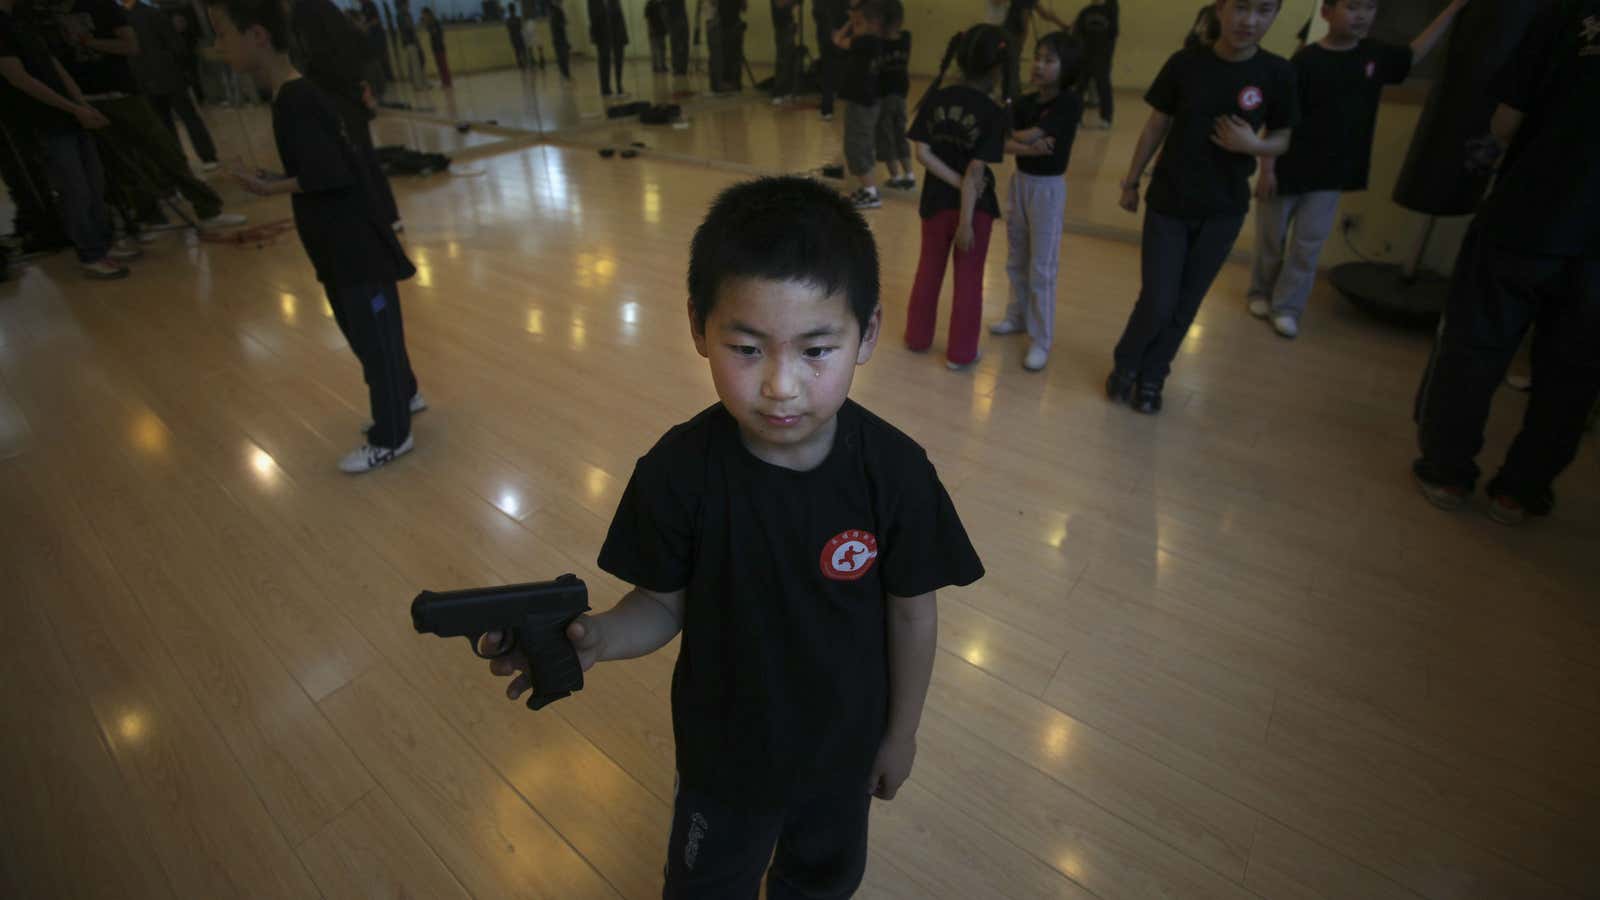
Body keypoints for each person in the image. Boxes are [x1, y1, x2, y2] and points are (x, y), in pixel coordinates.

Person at [483, 175, 984, 897]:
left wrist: (900, 735)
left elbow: (912, 610)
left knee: (820, 883)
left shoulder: (896, 474)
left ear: (867, 334)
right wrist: (594, 639)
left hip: (844, 752)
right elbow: (661, 604)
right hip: (725, 761)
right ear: (698, 327)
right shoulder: (678, 472)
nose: (781, 385)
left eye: (817, 349)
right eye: (747, 349)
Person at [209, 0, 424, 474]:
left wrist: (269, 184)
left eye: (224, 34)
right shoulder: (294, 95)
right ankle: (404, 395)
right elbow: (318, 167)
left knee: (374, 338)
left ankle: (393, 435)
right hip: (338, 242)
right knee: (369, 334)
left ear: (258, 36)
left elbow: (330, 172)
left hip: (354, 245)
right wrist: (270, 178)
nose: (219, 48)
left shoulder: (297, 99)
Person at [1412, 0, 1599, 526]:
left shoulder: (1563, 16)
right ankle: (1520, 491)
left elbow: (1506, 119)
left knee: (1475, 348)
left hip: (1531, 215)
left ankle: (1446, 472)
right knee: (1573, 375)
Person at [1109, 0, 1297, 414]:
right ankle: (1127, 364)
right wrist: (1132, 180)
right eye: (1241, 8)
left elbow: (1283, 136)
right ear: (1220, 9)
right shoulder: (1185, 64)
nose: (1249, 20)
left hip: (1224, 211)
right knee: (1158, 299)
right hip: (1169, 203)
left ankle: (1155, 375)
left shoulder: (1277, 73)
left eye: (1263, 11)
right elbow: (1156, 124)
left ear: (1275, 15)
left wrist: (1255, 146)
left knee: (1186, 303)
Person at [1248, 0, 1468, 338]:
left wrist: (1451, 10)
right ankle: (1260, 292)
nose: (1362, 15)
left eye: (1369, 7)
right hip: (1287, 168)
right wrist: (1267, 170)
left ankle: (1287, 307)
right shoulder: (1305, 60)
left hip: (1332, 174)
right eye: (1352, 7)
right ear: (1327, 12)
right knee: (1271, 241)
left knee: (1307, 246)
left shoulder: (1374, 56)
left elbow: (1413, 55)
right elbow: (1278, 119)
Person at [49, 0, 244, 232]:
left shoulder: (104, 7)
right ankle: (149, 216)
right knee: (123, 165)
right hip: (86, 99)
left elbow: (131, 45)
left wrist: (88, 42)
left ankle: (207, 208)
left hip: (124, 93)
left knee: (165, 151)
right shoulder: (48, 13)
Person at [905, 25, 1013, 370]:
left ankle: (917, 339)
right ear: (997, 68)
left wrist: (951, 181)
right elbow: (975, 174)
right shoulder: (992, 112)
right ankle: (960, 354)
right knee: (969, 283)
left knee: (928, 271)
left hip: (935, 204)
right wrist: (966, 221)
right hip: (973, 212)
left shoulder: (936, 97)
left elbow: (921, 152)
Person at [0, 0, 131, 278]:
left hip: (71, 115)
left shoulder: (22, 19)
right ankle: (91, 254)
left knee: (95, 183)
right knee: (75, 189)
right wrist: (72, 107)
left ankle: (104, 244)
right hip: (43, 120)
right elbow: (18, 78)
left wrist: (82, 104)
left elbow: (53, 64)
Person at [991, 29, 1082, 372]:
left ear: (1066, 66)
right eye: (1037, 58)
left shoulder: (1068, 102)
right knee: (1016, 257)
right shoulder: (1025, 101)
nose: (1039, 66)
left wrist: (1022, 139)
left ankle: (1041, 339)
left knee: (1042, 266)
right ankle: (1016, 316)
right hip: (1021, 182)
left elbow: (1024, 134)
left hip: (1048, 188)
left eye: (1049, 60)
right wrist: (1027, 145)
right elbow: (1003, 141)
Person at [288, 0, 400, 227]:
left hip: (342, 98)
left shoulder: (308, 11)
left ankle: (380, 219)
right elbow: (358, 47)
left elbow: (326, 60)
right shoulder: (324, 10)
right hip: (348, 94)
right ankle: (386, 217)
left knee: (358, 162)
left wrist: (358, 86)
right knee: (364, 160)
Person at [122, 0, 218, 170]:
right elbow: (175, 44)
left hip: (151, 78)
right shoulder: (151, 13)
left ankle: (182, 161)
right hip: (166, 75)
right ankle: (206, 156)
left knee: (167, 123)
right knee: (186, 118)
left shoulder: (129, 17)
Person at [834, 0, 884, 209]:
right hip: (862, 101)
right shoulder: (871, 41)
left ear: (873, 24)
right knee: (860, 145)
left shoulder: (865, 42)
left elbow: (837, 40)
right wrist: (855, 20)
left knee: (856, 146)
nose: (855, 27)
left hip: (862, 103)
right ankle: (867, 188)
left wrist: (848, 22)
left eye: (859, 23)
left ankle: (871, 193)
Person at [875, 0, 912, 189]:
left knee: (886, 135)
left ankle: (895, 177)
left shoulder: (879, 44)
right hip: (901, 95)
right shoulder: (906, 38)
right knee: (900, 133)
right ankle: (910, 174)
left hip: (885, 95)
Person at [1071, 0, 1115, 128]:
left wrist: (1108, 55)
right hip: (1084, 57)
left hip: (1102, 57)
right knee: (1080, 88)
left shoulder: (1110, 11)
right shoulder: (1085, 12)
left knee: (1103, 87)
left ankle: (1106, 118)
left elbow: (1113, 35)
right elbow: (1077, 33)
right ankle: (1076, 118)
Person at [587, 0, 625, 96]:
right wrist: (594, 34)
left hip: (617, 32)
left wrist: (623, 34)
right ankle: (605, 89)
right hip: (602, 33)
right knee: (604, 60)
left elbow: (620, 14)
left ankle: (619, 87)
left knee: (619, 58)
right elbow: (592, 16)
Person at [767, 0, 795, 102]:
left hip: (788, 24)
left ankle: (786, 91)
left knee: (789, 59)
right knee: (782, 60)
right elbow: (780, 3)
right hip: (782, 27)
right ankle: (778, 92)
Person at [418, 6, 446, 87]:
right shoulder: (430, 23)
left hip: (439, 47)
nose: (423, 17)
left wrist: (427, 25)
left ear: (427, 14)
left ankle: (447, 82)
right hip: (435, 47)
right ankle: (444, 82)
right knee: (440, 66)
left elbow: (436, 33)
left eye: (424, 15)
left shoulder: (434, 22)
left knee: (443, 65)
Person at [547, 0, 570, 81]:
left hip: (558, 37)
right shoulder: (556, 11)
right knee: (563, 56)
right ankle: (565, 74)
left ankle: (565, 74)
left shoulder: (553, 11)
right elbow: (561, 24)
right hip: (559, 37)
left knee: (562, 56)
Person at [644, 0, 667, 73]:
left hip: (661, 30)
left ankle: (662, 65)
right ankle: (656, 66)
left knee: (662, 48)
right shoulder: (649, 5)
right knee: (655, 49)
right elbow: (647, 19)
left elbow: (664, 16)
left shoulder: (660, 4)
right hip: (654, 30)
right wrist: (650, 29)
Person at [505, 1, 527, 68]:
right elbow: (521, 27)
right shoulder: (518, 19)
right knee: (522, 50)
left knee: (517, 51)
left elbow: (509, 30)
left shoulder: (508, 20)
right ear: (514, 9)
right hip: (519, 36)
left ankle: (520, 63)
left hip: (513, 37)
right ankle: (525, 62)